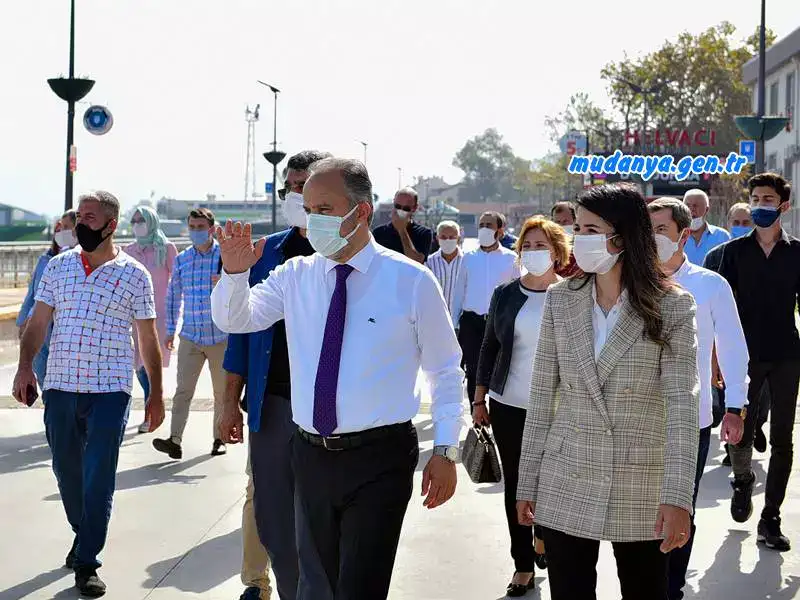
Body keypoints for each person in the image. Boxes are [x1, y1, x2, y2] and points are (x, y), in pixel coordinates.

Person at [211, 157, 463, 600]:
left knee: (359, 587)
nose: (311, 222)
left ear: (360, 212)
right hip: (309, 457)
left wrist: (445, 447)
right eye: (307, 210)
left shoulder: (411, 281)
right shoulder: (296, 275)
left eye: (323, 210)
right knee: (317, 586)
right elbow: (238, 317)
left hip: (379, 459)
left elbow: (445, 369)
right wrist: (234, 272)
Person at [516, 183, 699, 600]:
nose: (578, 238)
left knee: (644, 591)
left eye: (590, 229)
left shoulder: (672, 305)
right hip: (567, 477)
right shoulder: (562, 299)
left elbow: (682, 407)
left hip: (640, 483)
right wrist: (527, 482)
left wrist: (678, 497)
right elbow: (543, 397)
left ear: (622, 236)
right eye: (577, 227)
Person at [12, 190, 165, 597]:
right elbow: (38, 322)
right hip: (60, 385)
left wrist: (156, 394)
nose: (81, 223)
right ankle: (84, 535)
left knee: (99, 476)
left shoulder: (135, 275)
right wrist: (25, 367)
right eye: (79, 215)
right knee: (67, 472)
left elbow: (147, 337)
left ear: (111, 225)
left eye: (91, 217)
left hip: (110, 390)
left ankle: (87, 561)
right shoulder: (58, 268)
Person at [223, 150, 332, 600]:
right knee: (268, 507)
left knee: (321, 513)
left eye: (305, 185)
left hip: (330, 412)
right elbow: (240, 334)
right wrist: (229, 400)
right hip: (272, 403)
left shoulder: (348, 256)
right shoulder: (265, 252)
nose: (296, 194)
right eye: (290, 186)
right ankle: (273, 585)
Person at [648, 197, 749, 600]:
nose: (651, 238)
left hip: (690, 419)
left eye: (661, 230)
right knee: (639, 513)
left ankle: (671, 587)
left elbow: (733, 348)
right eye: (647, 229)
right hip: (633, 418)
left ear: (683, 235)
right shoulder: (626, 282)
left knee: (678, 507)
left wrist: (737, 406)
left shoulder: (710, 285)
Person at [473, 216, 568, 597]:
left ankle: (544, 534)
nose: (533, 253)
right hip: (508, 404)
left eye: (541, 246)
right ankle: (522, 564)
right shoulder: (506, 294)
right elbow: (488, 346)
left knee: (553, 483)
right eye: (527, 246)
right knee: (517, 485)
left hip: (559, 408)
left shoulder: (575, 294)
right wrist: (479, 397)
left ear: (558, 252)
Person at [715, 172, 799, 552]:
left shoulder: (797, 252)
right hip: (742, 356)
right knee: (743, 432)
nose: (760, 205)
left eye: (768, 199)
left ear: (784, 205)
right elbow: (718, 312)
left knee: (783, 438)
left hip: (786, 355)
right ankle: (743, 479)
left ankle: (771, 518)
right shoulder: (732, 253)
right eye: (755, 198)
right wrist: (716, 357)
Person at [152, 208, 228, 459]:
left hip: (220, 336)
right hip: (191, 336)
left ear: (212, 228)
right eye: (192, 227)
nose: (196, 232)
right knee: (183, 390)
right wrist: (171, 330)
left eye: (200, 227)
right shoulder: (182, 259)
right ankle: (175, 439)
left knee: (222, 392)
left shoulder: (224, 256)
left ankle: (219, 438)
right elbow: (173, 297)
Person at [703, 201, 755, 468]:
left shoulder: (767, 254)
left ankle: (755, 425)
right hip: (725, 338)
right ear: (728, 221)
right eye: (737, 222)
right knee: (728, 391)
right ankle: (733, 447)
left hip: (761, 339)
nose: (741, 227)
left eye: (746, 223)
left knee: (759, 397)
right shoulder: (718, 256)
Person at [456, 211, 519, 411]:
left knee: (499, 368)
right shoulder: (468, 258)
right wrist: (454, 324)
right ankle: (478, 412)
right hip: (471, 322)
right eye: (481, 224)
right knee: (474, 370)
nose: (484, 228)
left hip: (499, 322)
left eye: (489, 225)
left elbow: (517, 291)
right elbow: (459, 291)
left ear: (500, 231)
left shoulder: (511, 258)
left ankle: (497, 412)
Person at [123, 206, 178, 433]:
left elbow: (176, 284)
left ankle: (150, 411)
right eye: (134, 220)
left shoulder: (166, 249)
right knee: (136, 366)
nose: (137, 224)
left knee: (149, 364)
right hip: (133, 316)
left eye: (142, 220)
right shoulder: (128, 250)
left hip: (158, 317)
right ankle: (153, 400)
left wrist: (175, 320)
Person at [17, 209, 77, 387]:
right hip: (38, 329)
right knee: (45, 381)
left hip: (61, 331)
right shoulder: (46, 259)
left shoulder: (79, 261)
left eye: (66, 227)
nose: (61, 231)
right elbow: (32, 294)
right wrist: (23, 320)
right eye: (59, 226)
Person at [372, 187, 433, 263]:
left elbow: (417, 261)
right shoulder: (379, 233)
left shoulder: (423, 233)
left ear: (414, 208)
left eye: (406, 208)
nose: (401, 210)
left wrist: (402, 230)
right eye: (397, 206)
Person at [426, 220, 464, 326]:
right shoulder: (429, 263)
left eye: (452, 237)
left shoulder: (467, 262)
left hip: (460, 324)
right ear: (437, 238)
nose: (448, 240)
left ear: (458, 238)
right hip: (435, 322)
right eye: (443, 237)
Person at [683, 189, 730, 265]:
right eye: (687, 205)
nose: (691, 210)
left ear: (706, 209)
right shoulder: (675, 237)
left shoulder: (722, 237)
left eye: (695, 206)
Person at [550, 201, 580, 277]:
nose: (561, 225)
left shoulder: (583, 245)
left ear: (575, 220)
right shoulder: (548, 247)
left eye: (565, 221)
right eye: (558, 222)